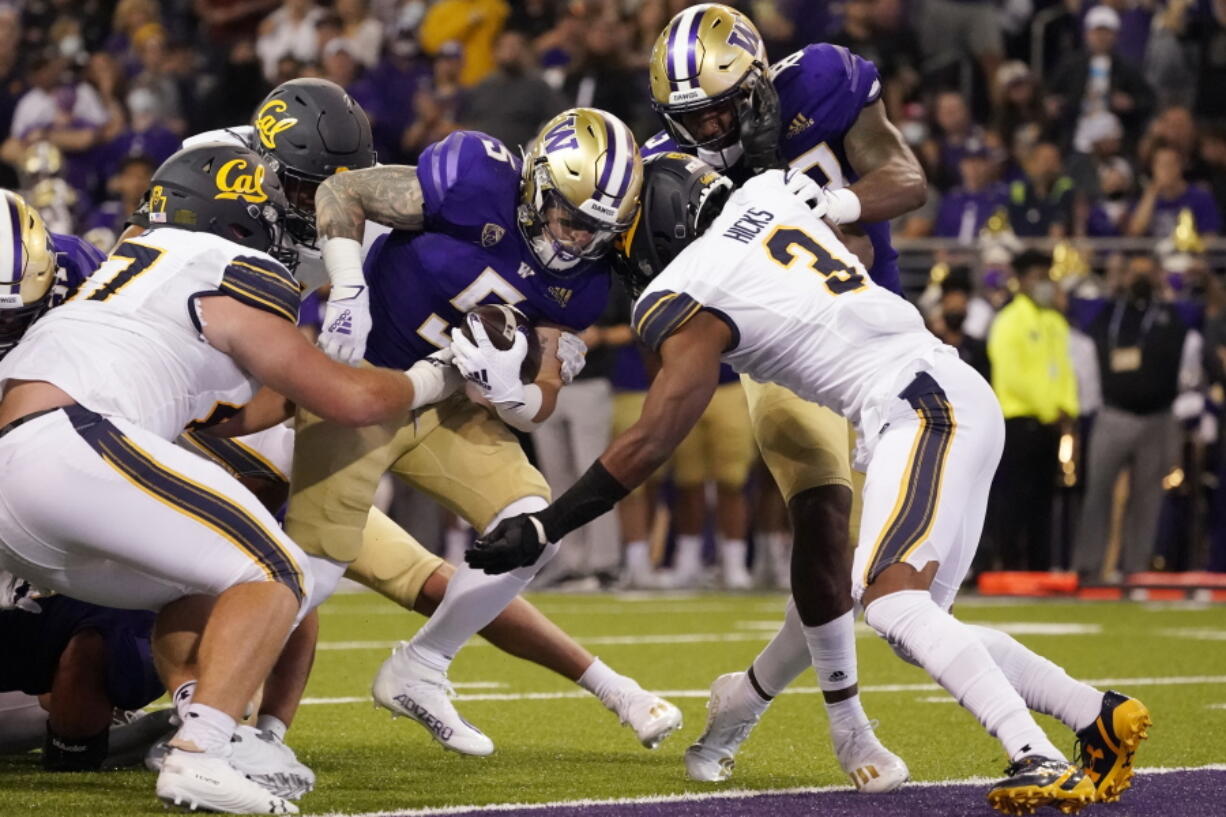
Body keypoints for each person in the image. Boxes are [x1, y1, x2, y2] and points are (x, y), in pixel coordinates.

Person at [475, 156, 1152, 814]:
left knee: (892, 605)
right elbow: (849, 231)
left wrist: (546, 524)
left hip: (919, 407)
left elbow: (653, 438)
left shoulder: (685, 289)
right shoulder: (769, 190)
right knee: (918, 621)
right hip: (947, 392)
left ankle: (1035, 753)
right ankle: (1094, 712)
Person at [0, 143, 455, 813]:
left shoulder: (128, 271)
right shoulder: (221, 262)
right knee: (280, 568)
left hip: (26, 476)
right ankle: (200, 754)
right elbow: (350, 400)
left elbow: (232, 414)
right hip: (73, 439)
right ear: (238, 217)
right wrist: (442, 372)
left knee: (203, 578)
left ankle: (205, 718)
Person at [291, 107, 682, 756]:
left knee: (534, 526)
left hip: (446, 405)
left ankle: (421, 665)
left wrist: (511, 391)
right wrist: (349, 288)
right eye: (571, 218)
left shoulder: (582, 287)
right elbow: (343, 189)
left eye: (598, 230)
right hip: (358, 383)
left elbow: (542, 401)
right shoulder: (473, 178)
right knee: (313, 574)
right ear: (536, 186)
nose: (580, 241)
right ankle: (237, 721)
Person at [639, 3, 925, 789]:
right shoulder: (673, 165)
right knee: (825, 521)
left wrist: (832, 204)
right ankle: (849, 726)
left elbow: (906, 179)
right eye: (691, 118)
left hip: (885, 341)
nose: (709, 131)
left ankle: (747, 695)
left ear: (761, 84)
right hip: (785, 354)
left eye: (724, 108)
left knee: (877, 572)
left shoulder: (825, 82)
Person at [1075, 254, 1198, 580]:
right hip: (1113, 413)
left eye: (1147, 273)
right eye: (1135, 273)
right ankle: (1089, 567)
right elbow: (1075, 309)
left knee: (1148, 498)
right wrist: (1112, 281)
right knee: (1097, 494)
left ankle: (1136, 570)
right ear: (1124, 277)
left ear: (1158, 276)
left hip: (1158, 418)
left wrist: (1172, 289)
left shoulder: (1170, 313)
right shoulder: (1109, 311)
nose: (1140, 280)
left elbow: (1201, 315)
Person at [986, 251, 1079, 571]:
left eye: (1046, 277)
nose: (1043, 284)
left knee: (1044, 499)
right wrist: (1049, 409)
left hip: (1050, 424)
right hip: (1019, 420)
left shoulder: (1054, 321)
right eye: (1036, 277)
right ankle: (1010, 566)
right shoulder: (1008, 320)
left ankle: (1039, 567)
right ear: (1021, 281)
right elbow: (1013, 376)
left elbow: (1064, 369)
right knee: (1014, 498)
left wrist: (1068, 408)